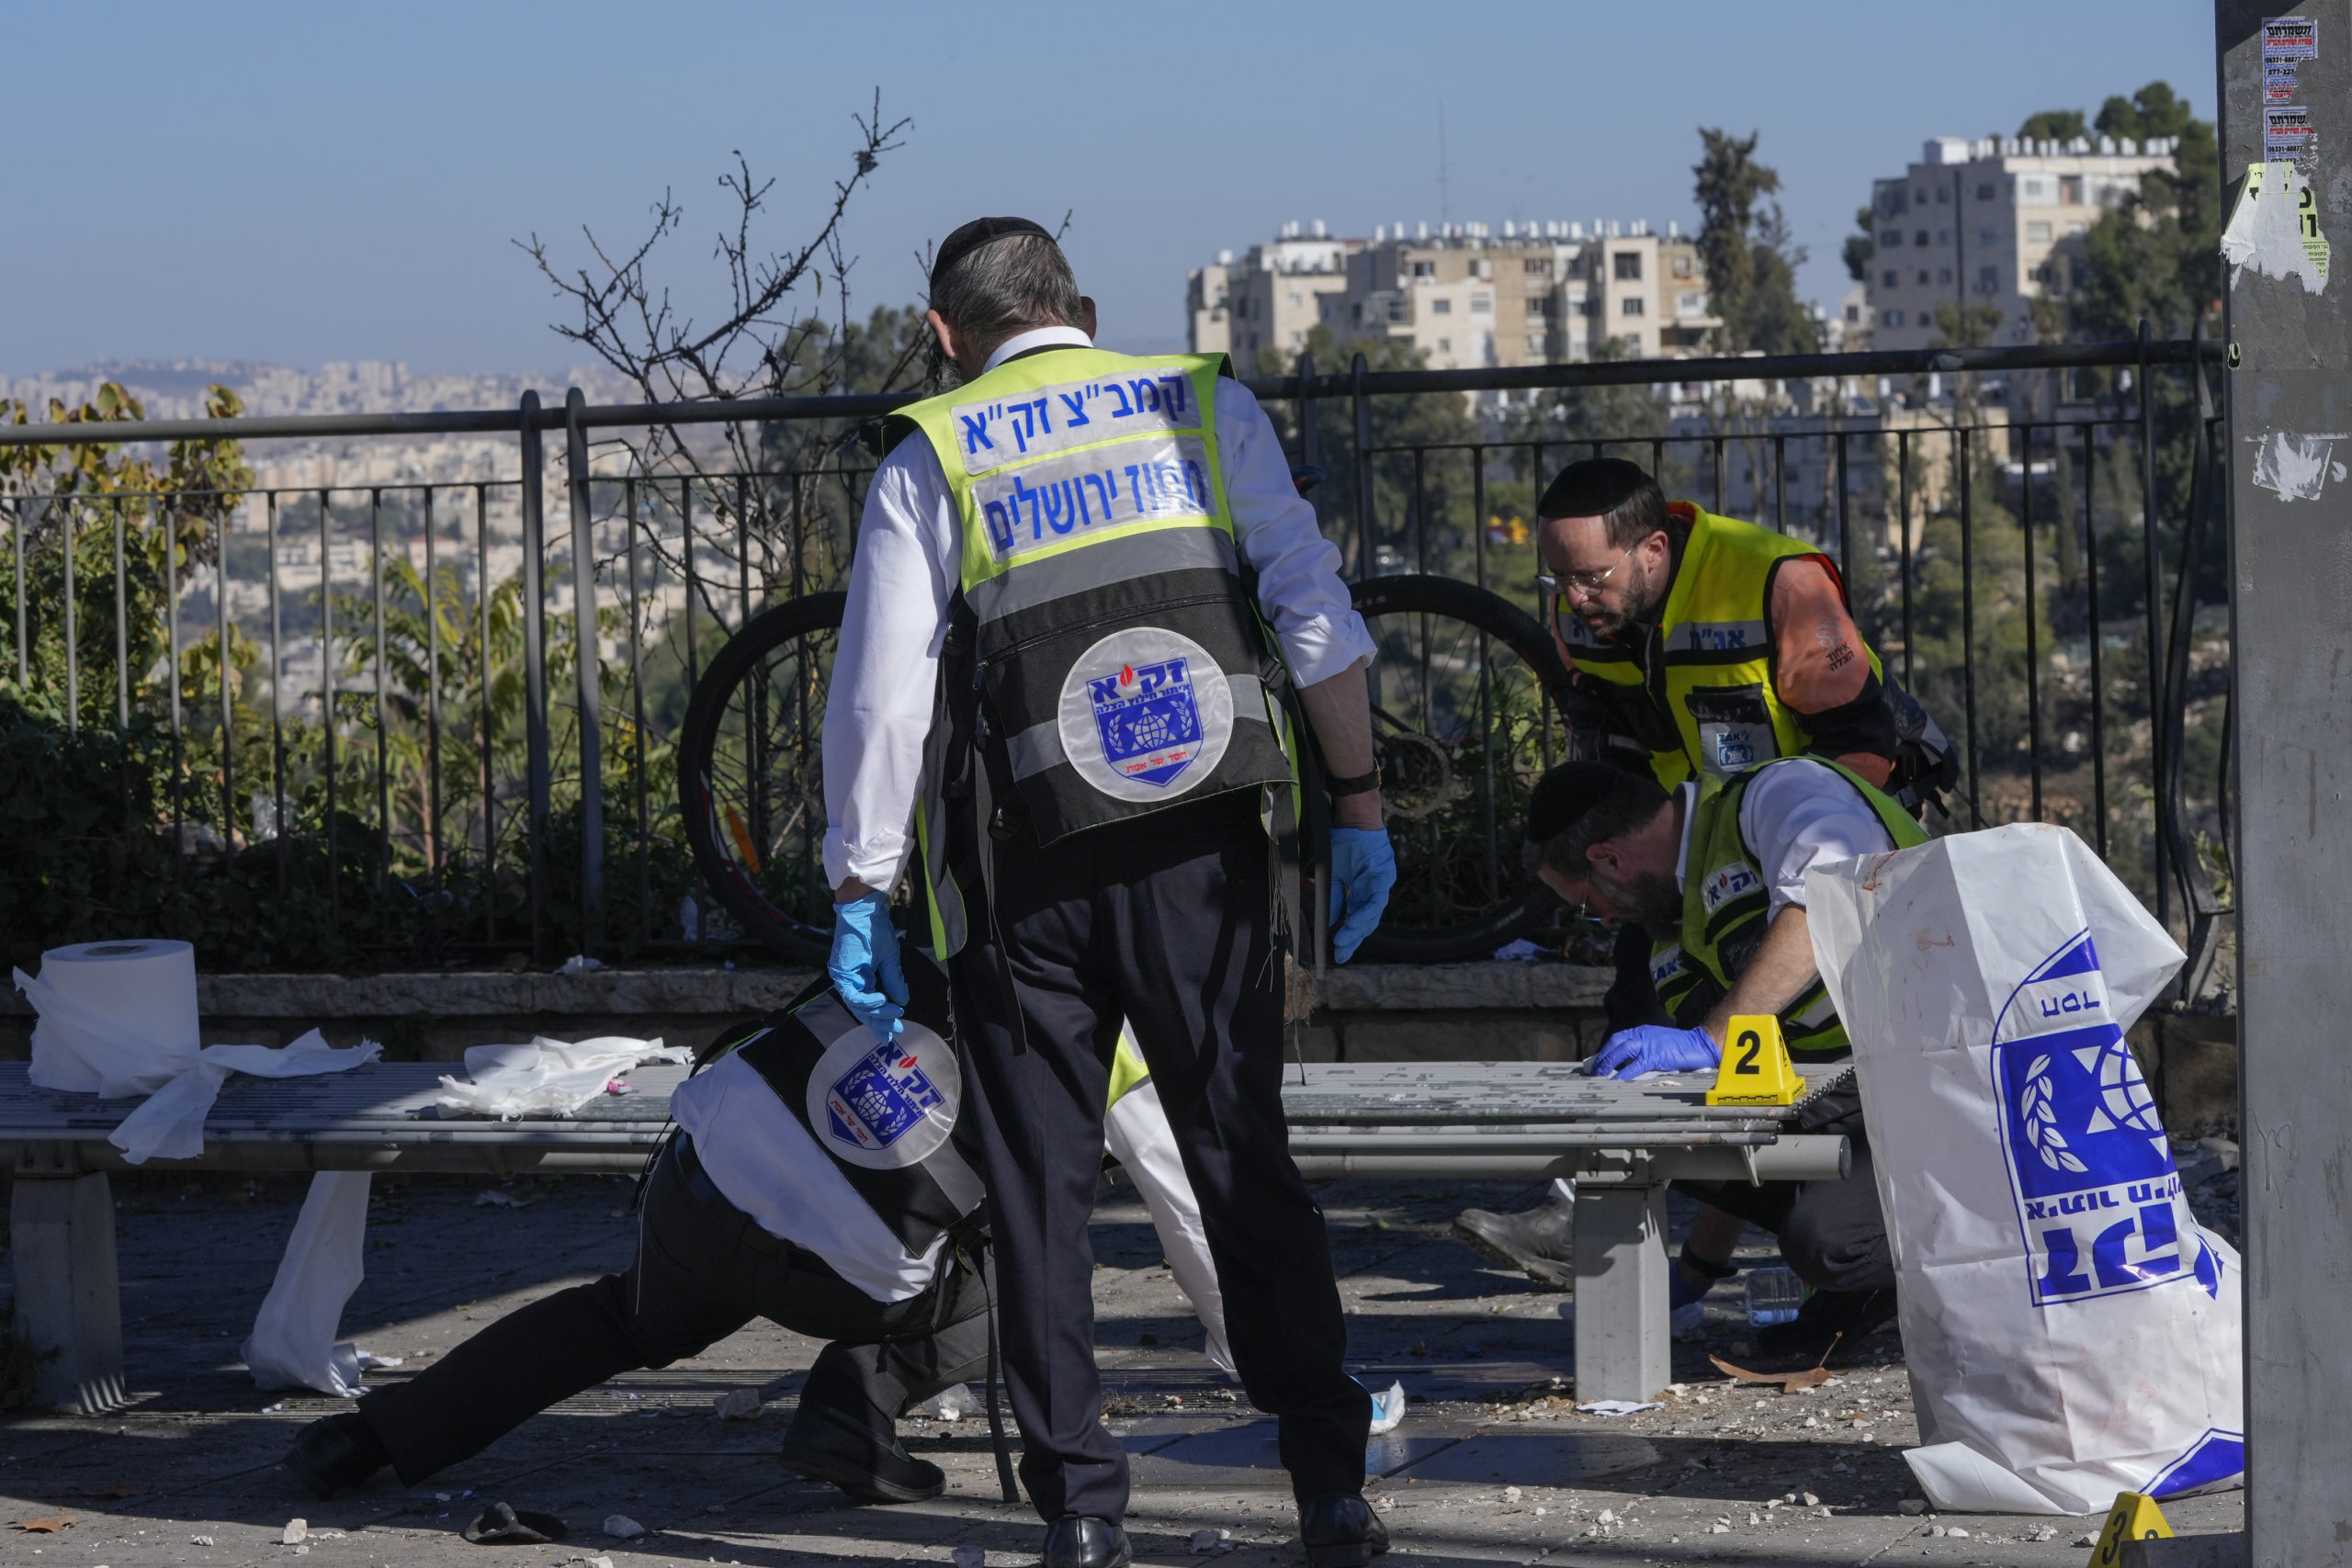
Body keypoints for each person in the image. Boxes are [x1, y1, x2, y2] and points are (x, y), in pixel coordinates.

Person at [820, 217, 1396, 1568]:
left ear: (944, 333)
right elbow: (1312, 607)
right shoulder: (1203, 406)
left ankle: (1083, 1508)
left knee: (1040, 1193)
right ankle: (1331, 1485)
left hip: (1024, 873)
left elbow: (883, 696)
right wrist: (1359, 801)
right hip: (1205, 849)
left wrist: (863, 882)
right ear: (1078, 304)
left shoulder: (934, 452)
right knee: (1243, 1155)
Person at [277, 966, 1236, 1506]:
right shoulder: (1122, 1036)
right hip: (847, 1277)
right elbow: (1187, 1218)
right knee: (1040, 1269)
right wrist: (1259, 1362)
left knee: (618, 1321)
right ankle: (851, 1406)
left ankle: (363, 1442)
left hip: (698, 1185)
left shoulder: (958, 917)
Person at [1453, 456, 1951, 1300]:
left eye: (1590, 577)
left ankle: (1889, 1212)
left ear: (1652, 548)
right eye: (1559, 578)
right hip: (1683, 845)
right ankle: (1598, 1211)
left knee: (1770, 1032)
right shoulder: (1587, 618)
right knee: (1643, 1019)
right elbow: (1607, 754)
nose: (1573, 600)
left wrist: (1781, 845)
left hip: (1805, 839)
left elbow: (1861, 744)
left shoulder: (1775, 584)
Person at [1513, 752, 1927, 1360]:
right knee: (1661, 1124)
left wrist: (1715, 1033)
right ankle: (1860, 1284)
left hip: (1948, 1078)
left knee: (1833, 1244)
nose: (1600, 919)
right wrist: (1697, 1273)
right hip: (1855, 1096)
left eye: (1584, 901)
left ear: (1608, 857)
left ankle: (1975, 1251)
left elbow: (1823, 907)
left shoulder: (1777, 796)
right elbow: (1733, 1108)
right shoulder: (1671, 932)